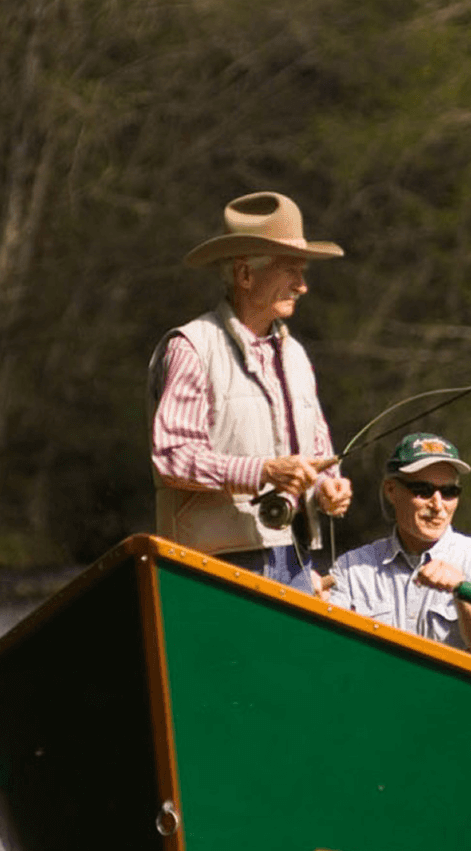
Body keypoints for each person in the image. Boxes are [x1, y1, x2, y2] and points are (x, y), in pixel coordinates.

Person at [148, 191, 353, 591]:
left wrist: (328, 488)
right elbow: (173, 457)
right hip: (210, 566)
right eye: (291, 271)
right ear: (245, 275)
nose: (303, 286)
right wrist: (262, 472)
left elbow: (317, 455)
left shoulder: (296, 355)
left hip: (294, 560)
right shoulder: (191, 347)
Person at [332, 433, 471, 680]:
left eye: (449, 491)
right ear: (391, 491)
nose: (438, 505)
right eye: (423, 490)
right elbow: (330, 652)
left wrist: (463, 591)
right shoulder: (349, 568)